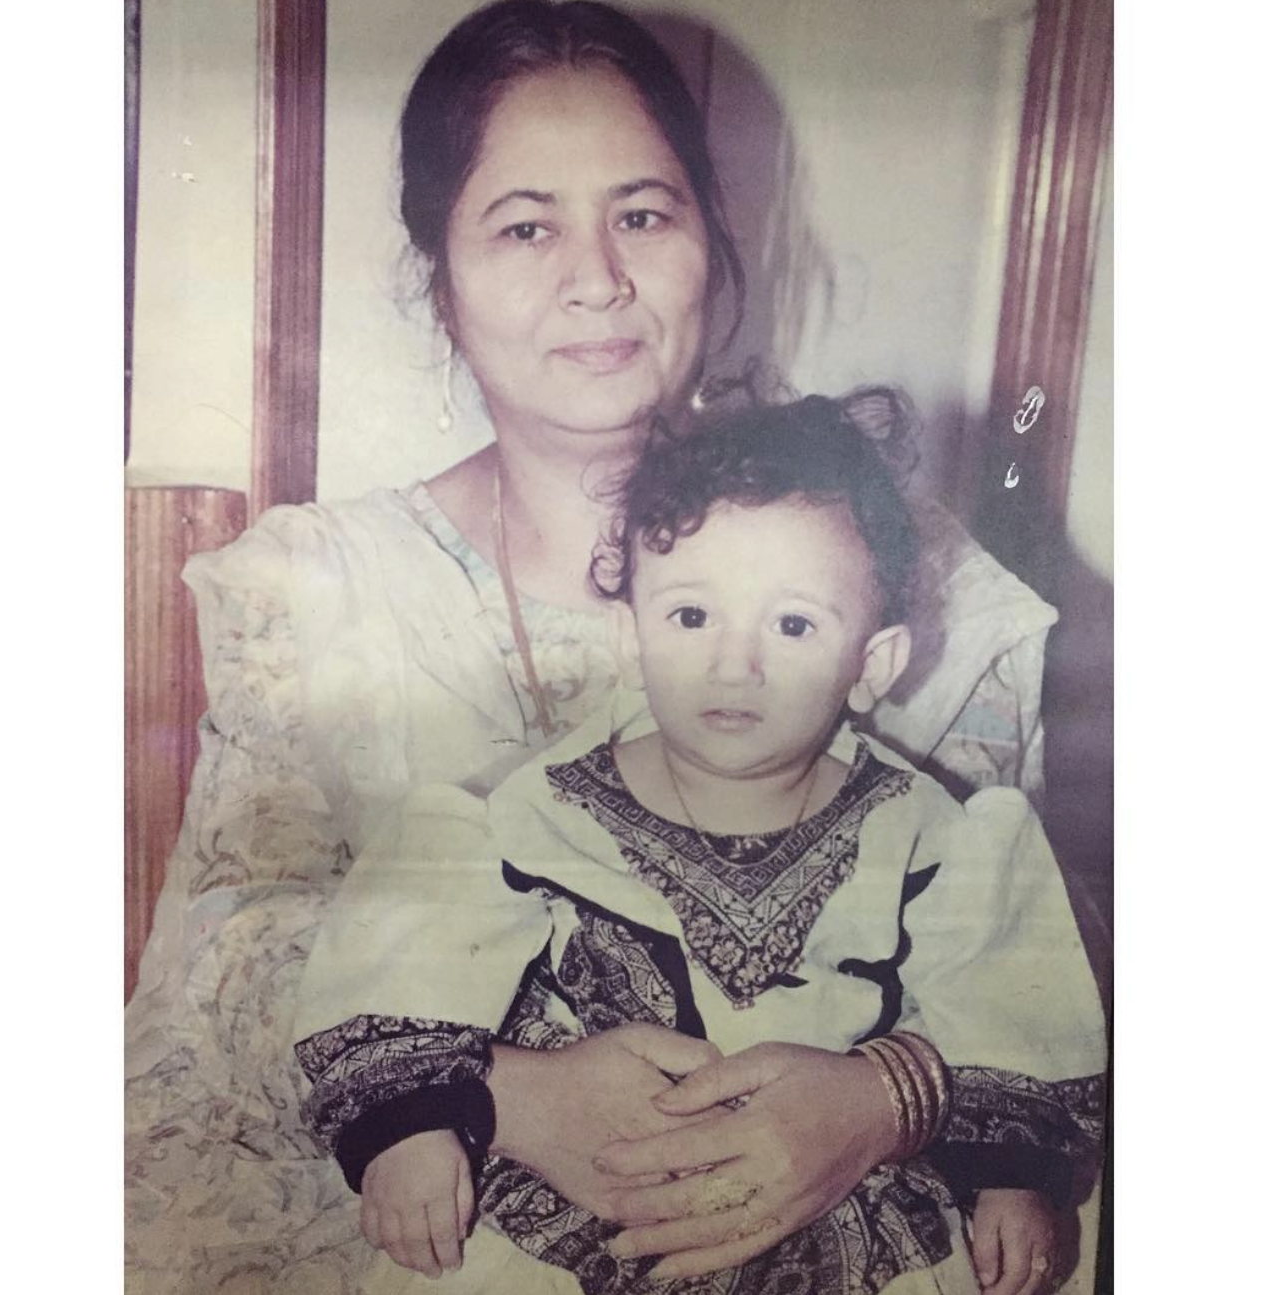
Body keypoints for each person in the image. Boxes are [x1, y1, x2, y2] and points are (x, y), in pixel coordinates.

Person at [124, 3, 1079, 1291]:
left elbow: (1024, 945)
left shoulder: (927, 580)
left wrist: (884, 1099)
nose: (597, 277)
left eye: (644, 213)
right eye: (525, 226)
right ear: (440, 270)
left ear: (712, 240)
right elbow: (220, 981)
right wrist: (505, 1096)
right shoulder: (321, 592)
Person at [293, 397, 1105, 1295]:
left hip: (837, 1203)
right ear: (631, 628)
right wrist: (415, 1128)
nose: (734, 663)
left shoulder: (929, 835)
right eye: (690, 618)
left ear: (873, 665)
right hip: (581, 1202)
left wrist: (1011, 1181)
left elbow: (1002, 1002)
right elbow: (409, 970)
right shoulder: (535, 814)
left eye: (792, 626)